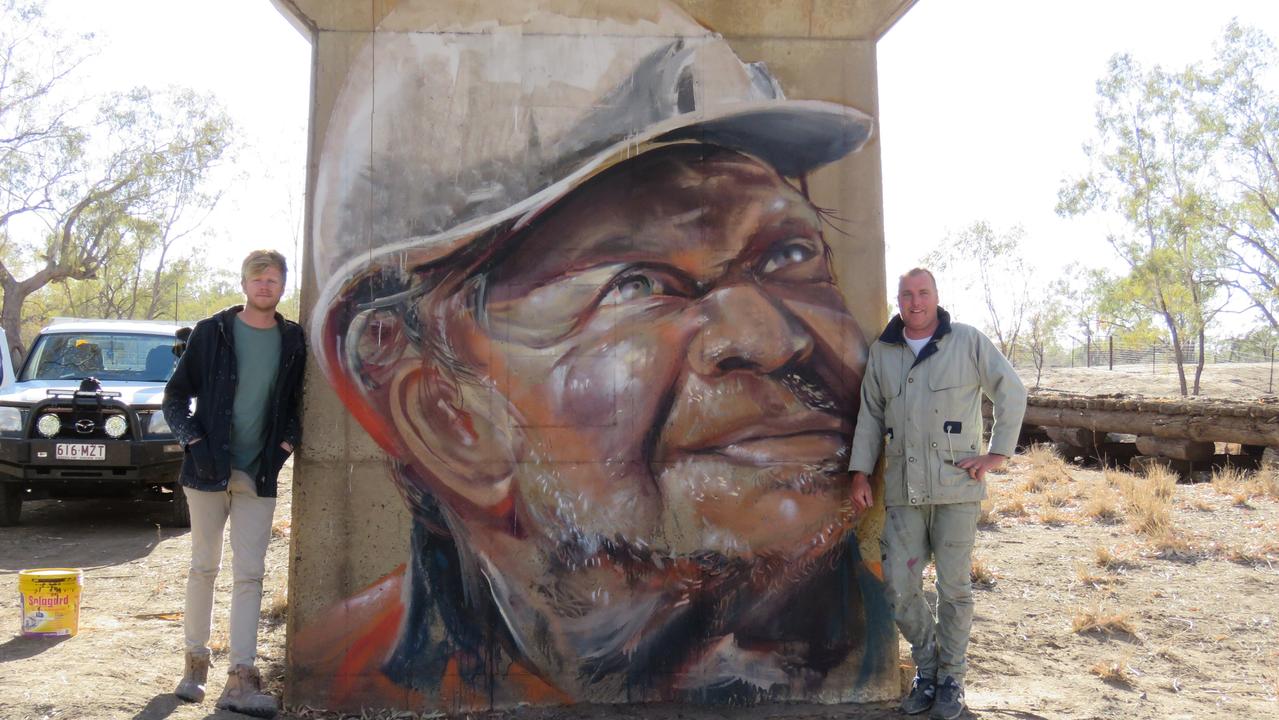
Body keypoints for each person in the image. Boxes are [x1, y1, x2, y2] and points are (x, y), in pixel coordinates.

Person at [299, 0, 896, 708]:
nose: (772, 338)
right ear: (441, 411)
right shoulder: (344, 668)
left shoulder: (899, 621)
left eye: (788, 254)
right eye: (635, 284)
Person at [847, 268, 1027, 719]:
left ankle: (952, 679)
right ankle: (927, 668)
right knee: (900, 588)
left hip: (956, 490)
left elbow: (1012, 391)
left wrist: (996, 454)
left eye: (923, 293)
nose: (915, 302)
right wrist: (860, 474)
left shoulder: (966, 342)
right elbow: (870, 416)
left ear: (936, 296)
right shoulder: (884, 352)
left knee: (954, 589)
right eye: (906, 295)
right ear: (899, 300)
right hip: (905, 493)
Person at [164, 250, 306, 718]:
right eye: (258, 279)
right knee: (203, 567)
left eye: (273, 280)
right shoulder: (213, 332)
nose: (265, 286)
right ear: (244, 284)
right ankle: (195, 666)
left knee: (250, 574)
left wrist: (285, 446)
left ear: (283, 286)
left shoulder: (292, 339)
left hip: (258, 472)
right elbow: (175, 397)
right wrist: (193, 440)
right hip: (207, 469)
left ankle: (241, 678)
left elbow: (298, 402)